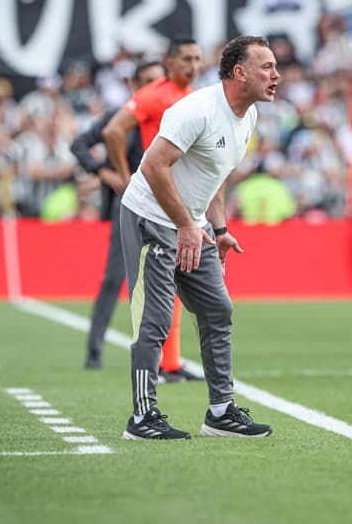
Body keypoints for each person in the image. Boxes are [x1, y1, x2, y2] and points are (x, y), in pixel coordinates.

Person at [118, 35, 280, 440]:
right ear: (239, 73)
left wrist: (218, 228)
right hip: (149, 218)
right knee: (154, 321)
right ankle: (142, 418)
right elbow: (154, 166)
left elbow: (215, 175)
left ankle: (221, 412)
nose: (276, 75)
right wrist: (186, 225)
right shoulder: (197, 110)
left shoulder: (249, 116)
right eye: (267, 67)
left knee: (217, 310)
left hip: (195, 226)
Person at [103, 36, 203, 382]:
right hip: (154, 199)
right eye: (186, 59)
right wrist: (124, 176)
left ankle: (170, 364)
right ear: (170, 63)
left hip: (179, 198)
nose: (193, 66)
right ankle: (154, 367)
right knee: (153, 287)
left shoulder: (191, 98)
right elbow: (113, 131)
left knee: (175, 283)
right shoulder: (153, 95)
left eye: (197, 59)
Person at [70, 59, 166, 369]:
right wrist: (105, 174)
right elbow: (80, 144)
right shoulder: (118, 118)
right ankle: (94, 350)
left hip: (165, 208)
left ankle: (168, 359)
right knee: (115, 279)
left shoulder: (173, 116)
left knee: (170, 281)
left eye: (159, 81)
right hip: (126, 208)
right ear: (134, 86)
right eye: (148, 81)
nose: (155, 88)